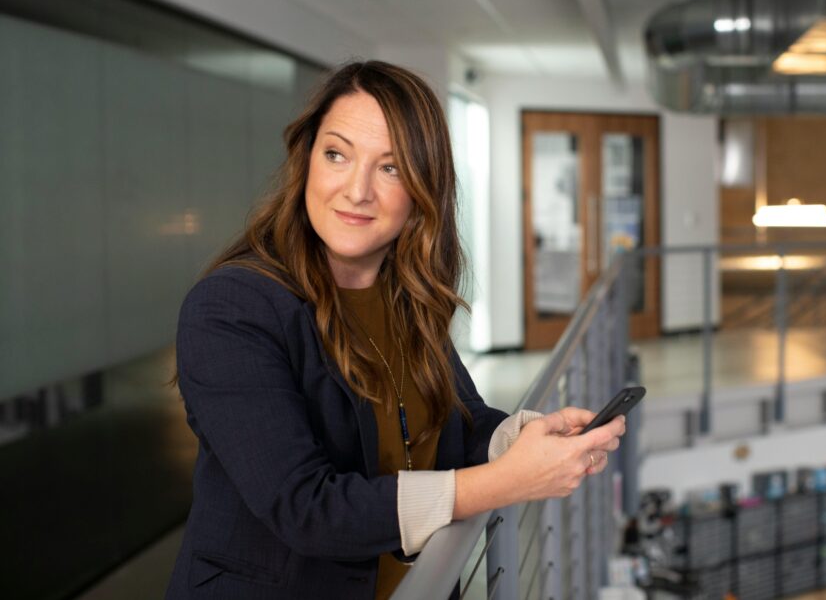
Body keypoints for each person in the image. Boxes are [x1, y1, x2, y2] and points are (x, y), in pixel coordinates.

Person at [164, 60, 627, 600]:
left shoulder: (406, 294)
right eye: (337, 154)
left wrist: (522, 440)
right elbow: (306, 509)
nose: (357, 190)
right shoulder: (232, 308)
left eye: (390, 168)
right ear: (307, 161)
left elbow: (460, 419)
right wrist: (506, 481)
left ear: (422, 190)